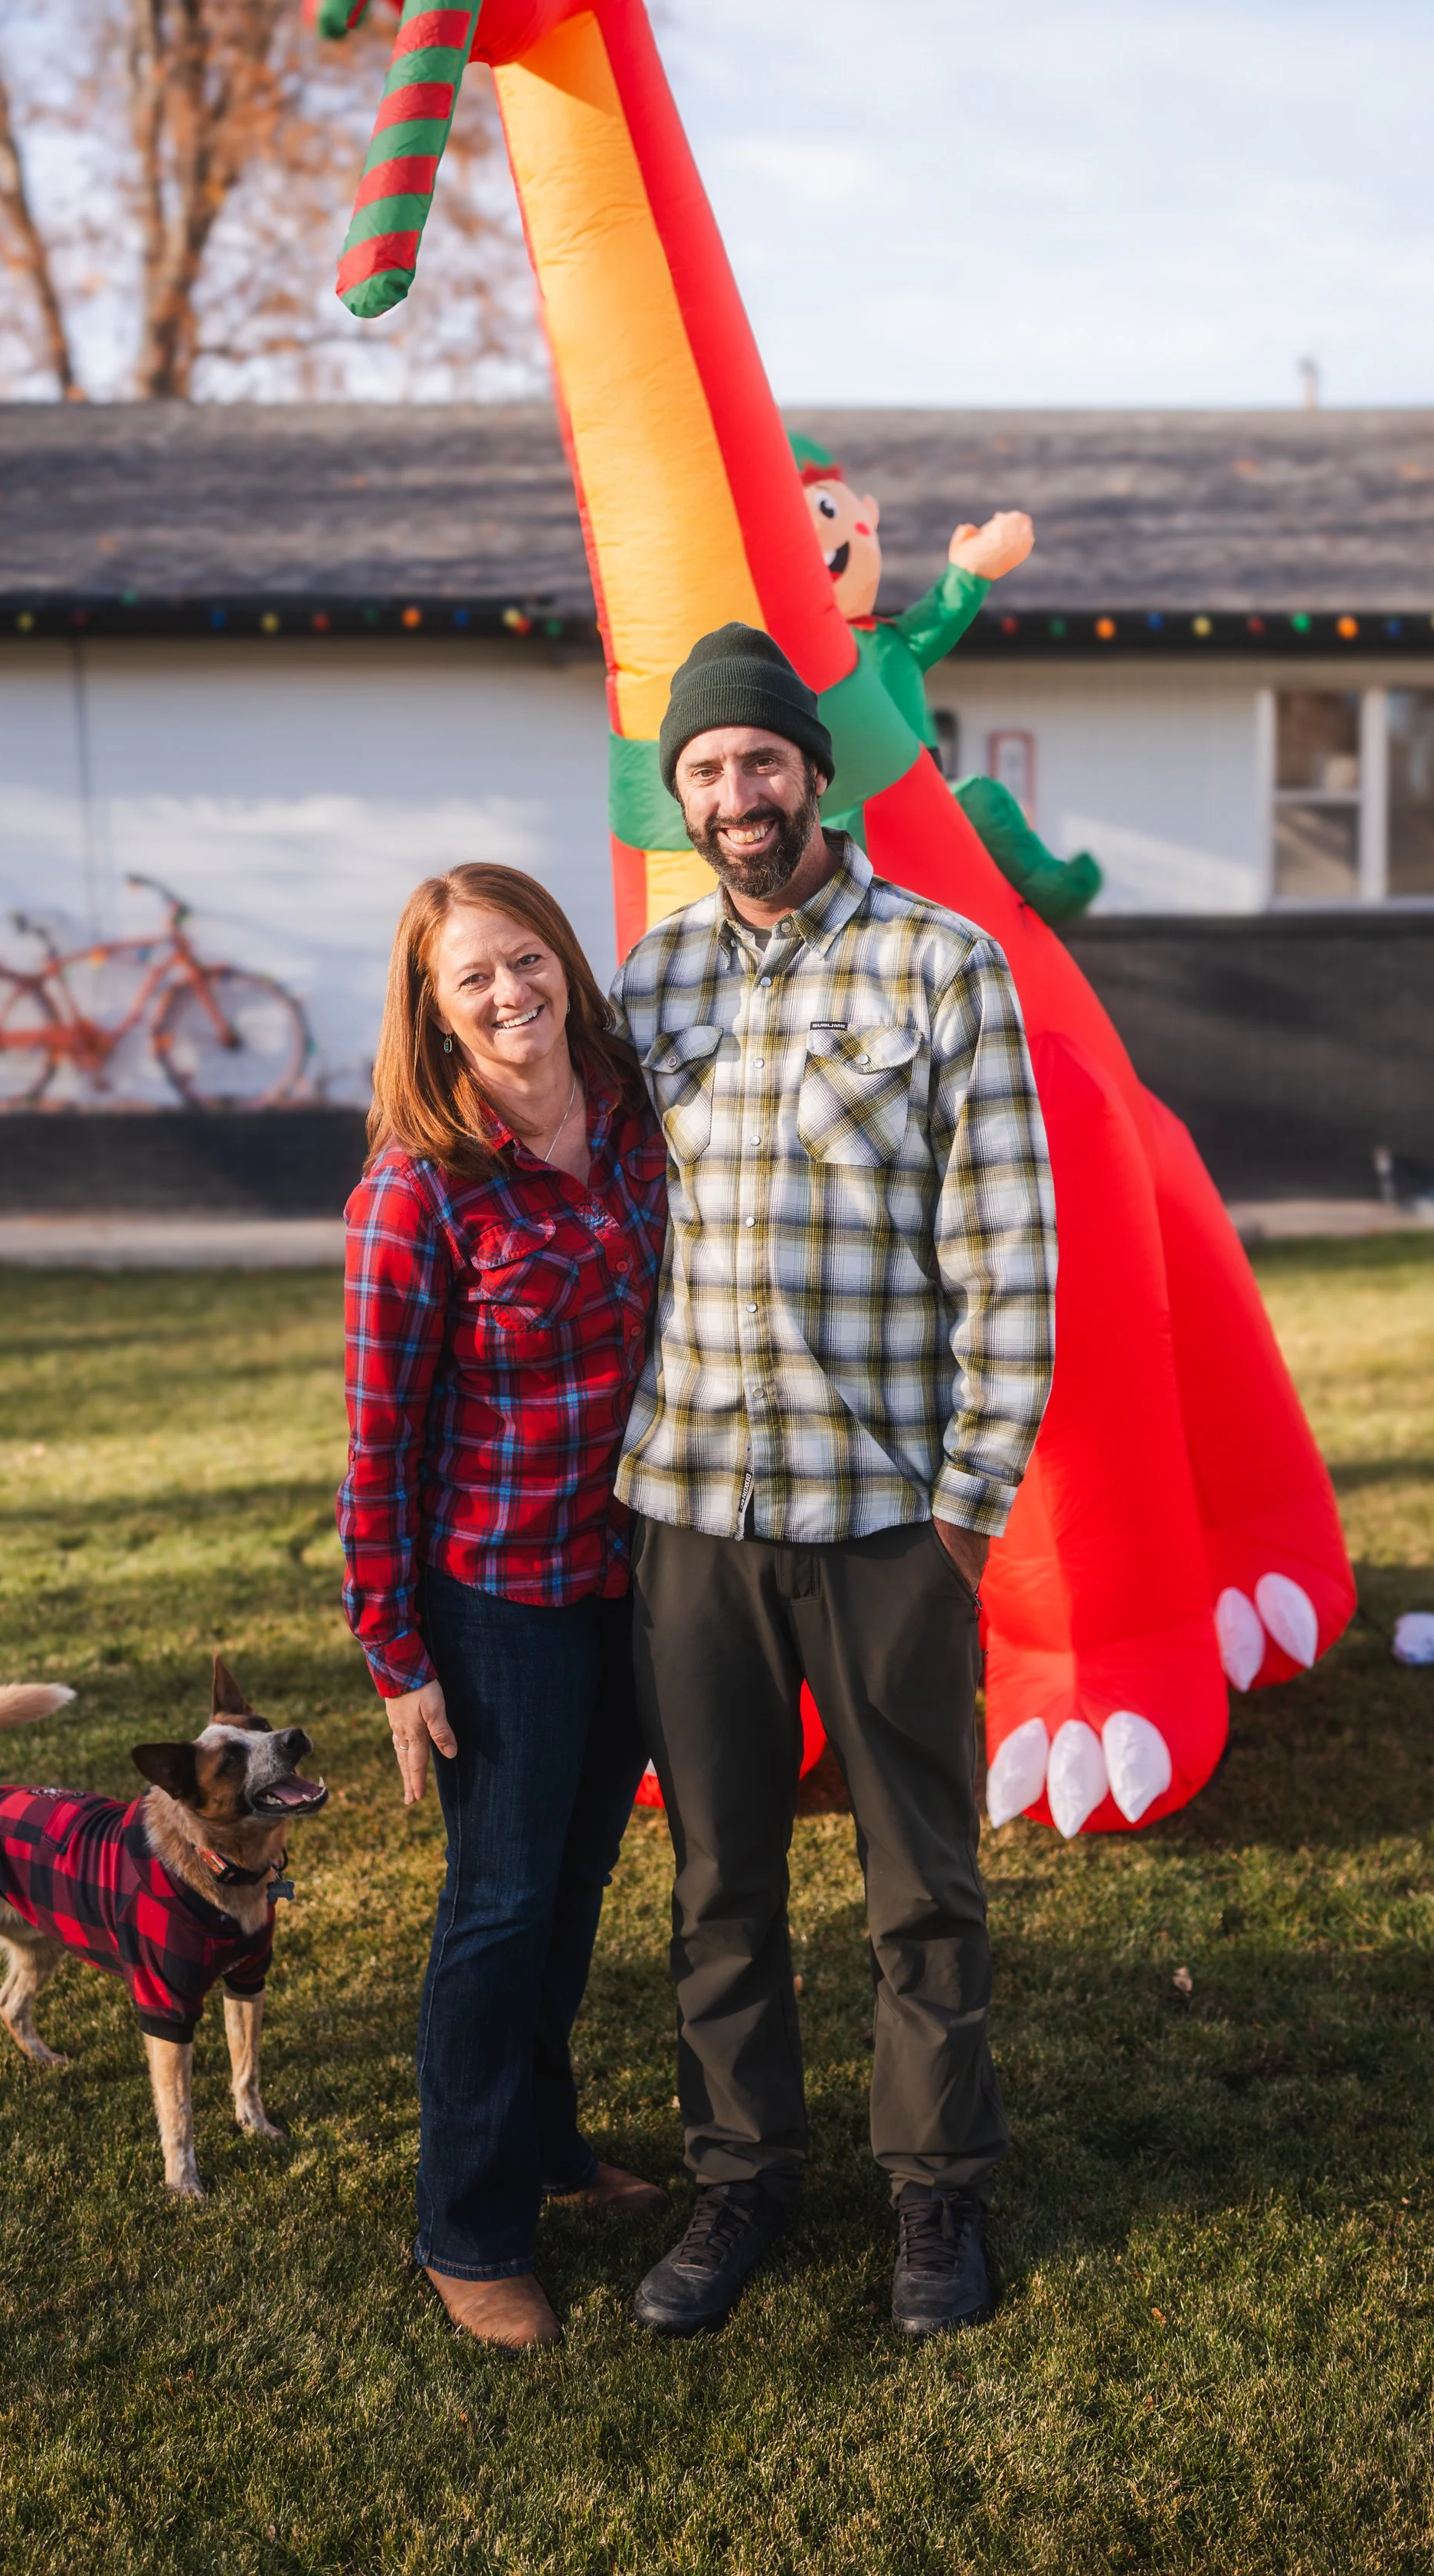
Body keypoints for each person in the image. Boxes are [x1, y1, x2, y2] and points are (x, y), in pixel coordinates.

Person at [612, 623, 1057, 2342]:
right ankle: (738, 2182)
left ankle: (935, 2197)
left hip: (884, 1523)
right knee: (716, 1877)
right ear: (682, 799)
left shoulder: (942, 966)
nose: (735, 794)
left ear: (812, 770)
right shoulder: (643, 987)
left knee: (919, 1882)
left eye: (758, 762)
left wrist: (965, 1510)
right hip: (690, 1517)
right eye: (704, 772)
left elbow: (1007, 1254)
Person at [338, 862, 670, 2352]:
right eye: (471, 976)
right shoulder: (417, 1188)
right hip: (499, 1602)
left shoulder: (632, 1119)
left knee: (576, 1885)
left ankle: (546, 2144)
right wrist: (394, 1656)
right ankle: (466, 2228)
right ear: (432, 1006)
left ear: (561, 962)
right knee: (495, 1909)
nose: (507, 993)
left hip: (636, 1579)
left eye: (524, 958)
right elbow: (374, 1439)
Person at [791, 431, 1103, 925]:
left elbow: (939, 614)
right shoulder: (793, 653)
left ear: (866, 518)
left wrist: (971, 568)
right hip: (839, 805)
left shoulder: (892, 640)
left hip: (921, 789)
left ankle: (1048, 887)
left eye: (828, 512)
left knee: (982, 798)